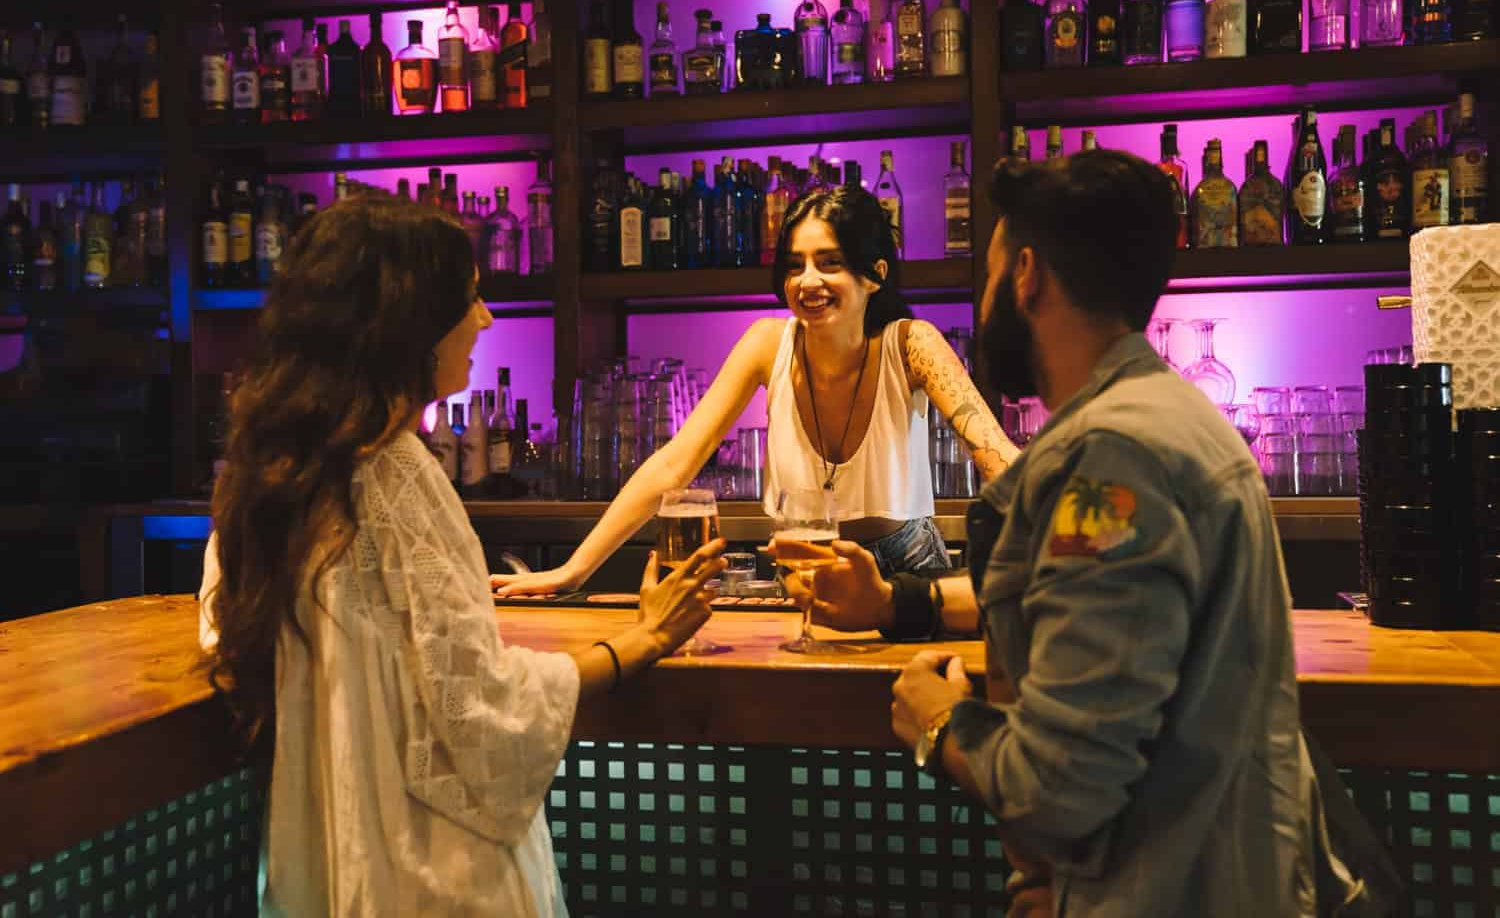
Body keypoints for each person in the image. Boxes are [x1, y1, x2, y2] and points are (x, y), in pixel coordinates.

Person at [783, 150, 1363, 916]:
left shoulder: (1113, 464)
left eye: (989, 276)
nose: (986, 300)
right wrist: (897, 603)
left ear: (1025, 275)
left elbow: (1059, 787)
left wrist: (940, 723)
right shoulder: (1159, 418)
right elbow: (1092, 606)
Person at [196, 194, 725, 916]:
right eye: (470, 300)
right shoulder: (393, 472)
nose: (486, 320)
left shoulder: (266, 475)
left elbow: (225, 639)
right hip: (428, 872)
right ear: (408, 324)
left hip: (320, 857)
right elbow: (479, 707)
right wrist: (645, 638)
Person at [496, 185, 1017, 596]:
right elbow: (676, 462)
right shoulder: (768, 343)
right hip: (800, 566)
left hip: (907, 572)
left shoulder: (912, 344)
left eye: (829, 262)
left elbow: (994, 455)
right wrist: (573, 571)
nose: (806, 281)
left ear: (874, 275)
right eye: (795, 264)